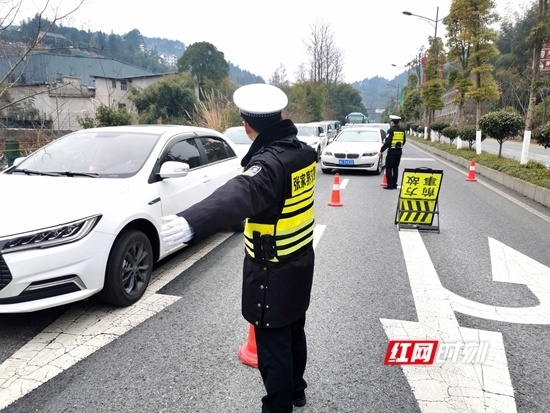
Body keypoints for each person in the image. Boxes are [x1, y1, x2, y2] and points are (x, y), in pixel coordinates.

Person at [160, 83, 317, 413]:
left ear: (247, 126)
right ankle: (297, 390)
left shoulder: (270, 164)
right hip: (301, 262)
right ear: (281, 116)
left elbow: (239, 193)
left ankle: (278, 406)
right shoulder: (302, 152)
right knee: (294, 331)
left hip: (271, 272)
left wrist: (192, 221)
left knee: (272, 348)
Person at [379, 115, 406, 189]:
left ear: (392, 122)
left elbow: (387, 142)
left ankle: (390, 185)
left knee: (389, 168)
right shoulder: (402, 130)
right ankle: (394, 184)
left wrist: (381, 150)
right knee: (395, 168)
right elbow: (404, 141)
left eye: (390, 122)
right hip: (399, 152)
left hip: (391, 152)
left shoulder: (391, 130)